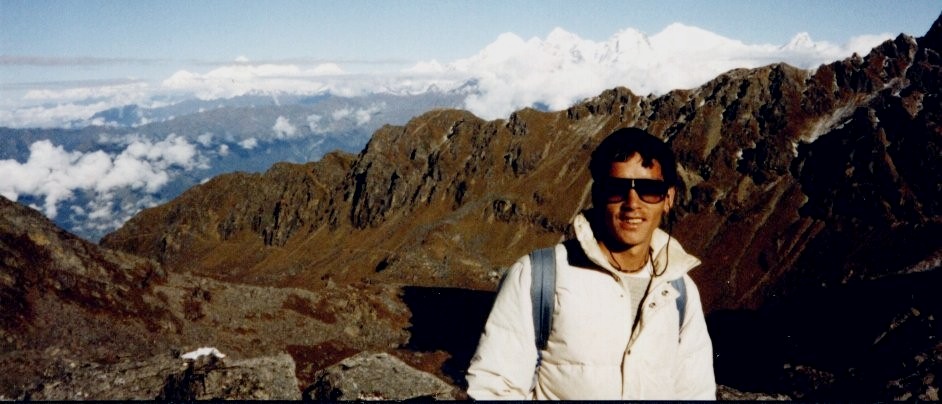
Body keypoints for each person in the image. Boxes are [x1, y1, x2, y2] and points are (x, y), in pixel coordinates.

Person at [465, 127, 715, 400]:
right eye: (616, 189)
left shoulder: (680, 291)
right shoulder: (539, 276)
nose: (633, 203)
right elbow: (494, 388)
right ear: (597, 196)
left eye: (649, 190)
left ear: (668, 199)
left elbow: (695, 393)